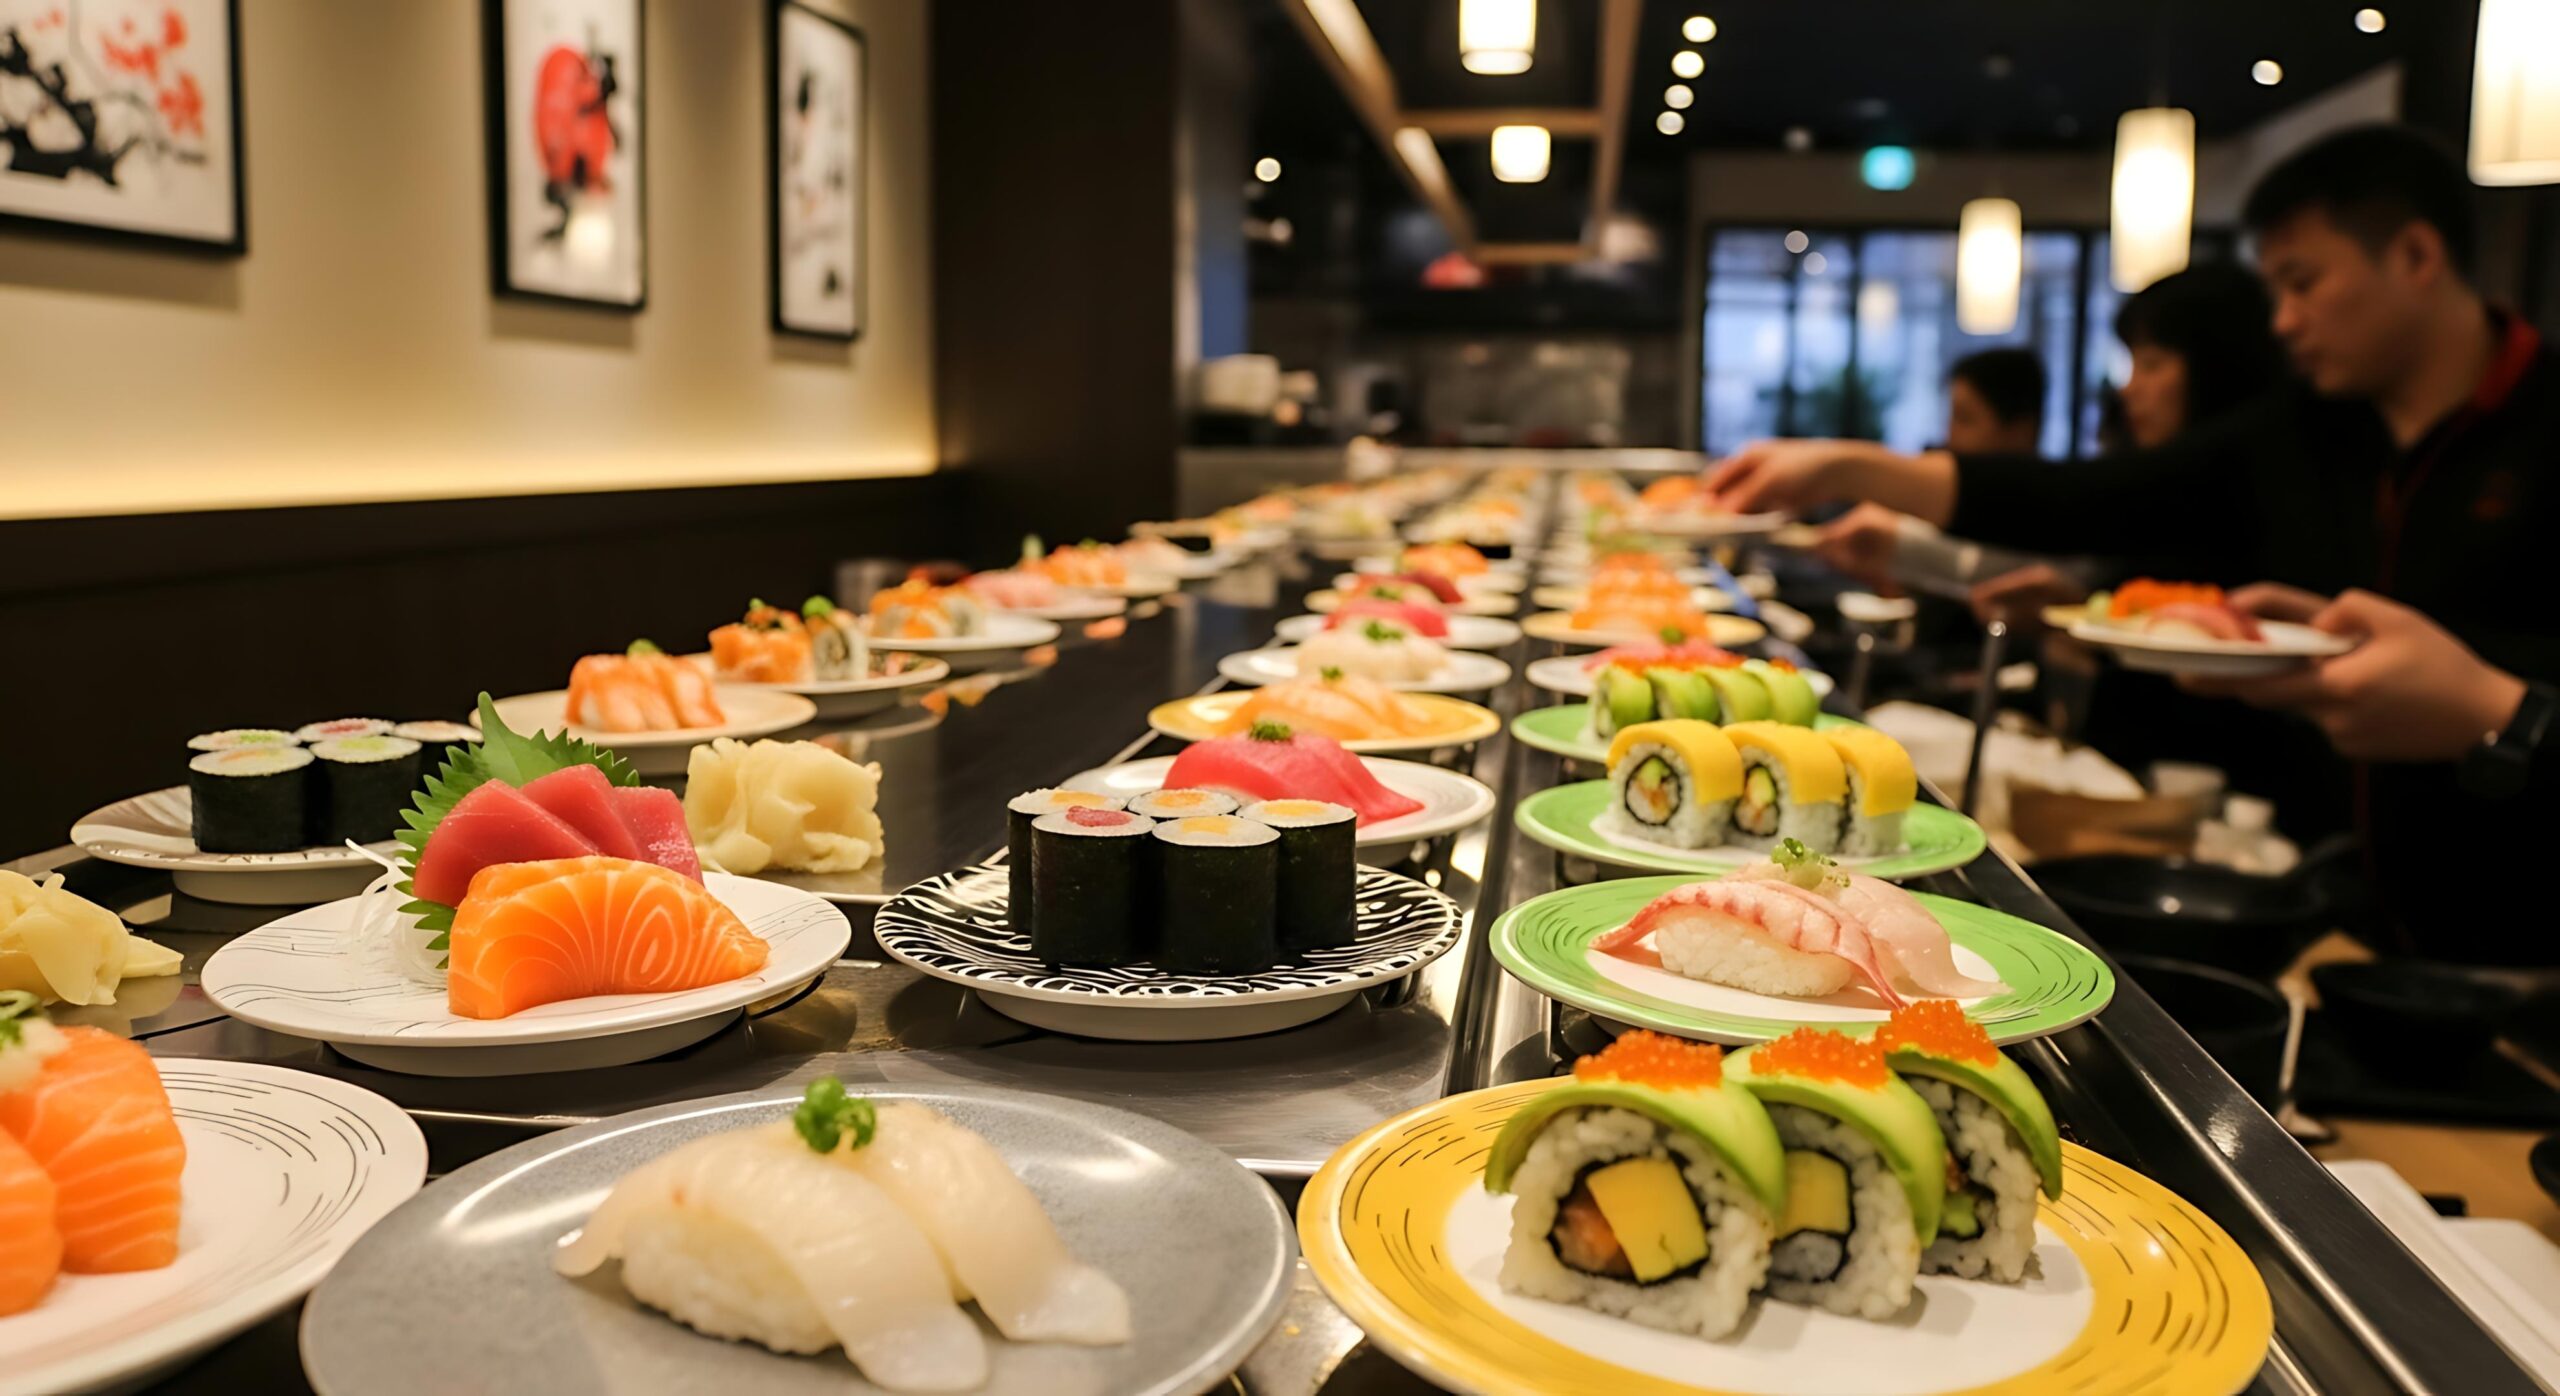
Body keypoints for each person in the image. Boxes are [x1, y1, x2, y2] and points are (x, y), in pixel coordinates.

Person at [1704, 123, 2560, 965]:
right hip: (2333, 917)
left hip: (2519, 944)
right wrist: (1857, 466)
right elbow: (2090, 499)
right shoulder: (2312, 427)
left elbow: (2492, 674)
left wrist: (2501, 710)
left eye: (2304, 283)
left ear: (2416, 256)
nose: (2288, 323)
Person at [1815, 348, 2047, 590]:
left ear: (2022, 431)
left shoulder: (2051, 515)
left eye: (1964, 419)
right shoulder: (1964, 509)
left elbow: (1990, 567)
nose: (1949, 435)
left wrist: (1896, 542)